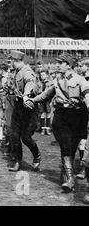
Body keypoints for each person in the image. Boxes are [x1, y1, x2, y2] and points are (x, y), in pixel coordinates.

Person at [30, 53, 89, 192]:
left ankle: (66, 173)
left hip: (77, 116)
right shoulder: (56, 80)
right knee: (65, 145)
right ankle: (70, 179)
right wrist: (33, 100)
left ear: (68, 65)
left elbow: (87, 97)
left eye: (60, 62)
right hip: (61, 117)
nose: (57, 65)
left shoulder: (80, 80)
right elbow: (46, 95)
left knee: (72, 147)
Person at [7, 50, 41, 172]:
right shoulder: (16, 71)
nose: (9, 62)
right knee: (14, 135)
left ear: (14, 60)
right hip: (18, 105)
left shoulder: (26, 70)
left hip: (28, 107)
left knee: (26, 137)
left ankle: (37, 156)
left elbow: (30, 82)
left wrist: (26, 95)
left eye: (10, 60)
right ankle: (17, 161)